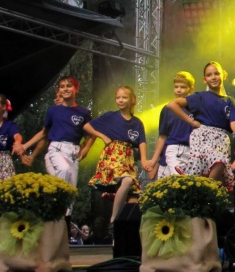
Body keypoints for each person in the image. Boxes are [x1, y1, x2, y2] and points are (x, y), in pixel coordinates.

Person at [168, 62, 235, 191]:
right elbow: (172, 104)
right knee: (216, 162)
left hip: (221, 140)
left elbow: (234, 122)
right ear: (204, 79)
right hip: (202, 137)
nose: (213, 77)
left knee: (218, 166)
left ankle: (207, 192)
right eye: (209, 75)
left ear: (224, 75)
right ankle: (206, 191)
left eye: (216, 73)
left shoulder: (229, 101)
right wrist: (191, 122)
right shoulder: (200, 97)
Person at [22, 77, 93, 217]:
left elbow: (91, 134)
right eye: (62, 86)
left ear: (76, 89)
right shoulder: (53, 111)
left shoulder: (83, 112)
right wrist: (25, 146)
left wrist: (85, 149)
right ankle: (53, 208)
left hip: (73, 153)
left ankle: (63, 221)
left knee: (71, 193)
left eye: (69, 86)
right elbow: (44, 133)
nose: (65, 89)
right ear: (59, 90)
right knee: (63, 170)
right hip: (56, 149)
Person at [85, 86, 149, 232]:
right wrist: (102, 136)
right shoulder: (110, 116)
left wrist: (144, 160)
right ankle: (114, 219)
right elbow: (87, 126)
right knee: (127, 181)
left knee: (132, 195)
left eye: (124, 97)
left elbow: (142, 142)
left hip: (128, 159)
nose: (120, 100)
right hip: (113, 155)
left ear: (132, 100)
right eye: (118, 97)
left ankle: (120, 232)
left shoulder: (137, 122)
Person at [147, 71, 195, 179]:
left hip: (190, 153)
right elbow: (163, 137)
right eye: (176, 87)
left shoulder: (196, 109)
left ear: (191, 89)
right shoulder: (167, 109)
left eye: (182, 87)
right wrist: (154, 161)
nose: (178, 90)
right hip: (170, 153)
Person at [0, 95, 23, 179]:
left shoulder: (8, 125)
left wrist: (18, 142)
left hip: (4, 162)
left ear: (4, 106)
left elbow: (17, 135)